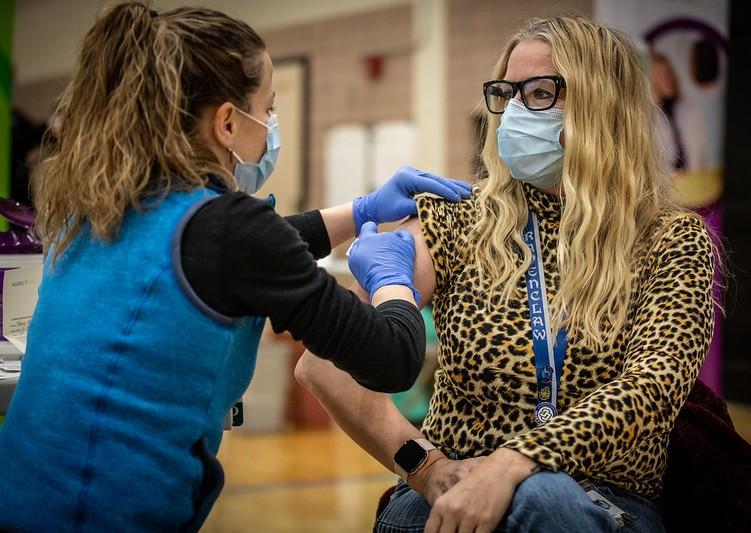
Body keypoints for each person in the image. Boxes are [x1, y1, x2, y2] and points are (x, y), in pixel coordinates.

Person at [0, 3, 473, 532]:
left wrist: (359, 212)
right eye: (267, 110)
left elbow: (242, 252)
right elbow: (392, 361)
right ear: (227, 121)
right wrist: (393, 281)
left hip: (22, 495)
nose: (271, 126)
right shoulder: (229, 230)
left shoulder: (102, 205)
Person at [295, 15, 717, 533]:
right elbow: (326, 364)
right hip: (454, 484)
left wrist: (514, 462)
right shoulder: (459, 216)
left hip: (602, 498)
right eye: (507, 93)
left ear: (604, 105)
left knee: (543, 499)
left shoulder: (669, 238)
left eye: (540, 92)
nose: (515, 111)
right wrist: (426, 467)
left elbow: (653, 387)